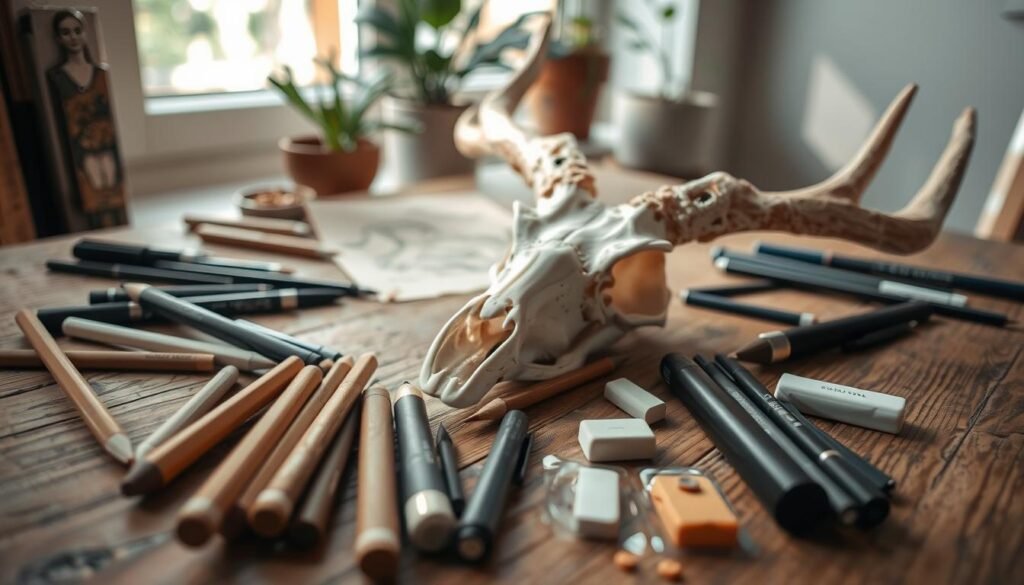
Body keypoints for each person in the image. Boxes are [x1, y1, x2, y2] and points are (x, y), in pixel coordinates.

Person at [46, 9, 126, 228]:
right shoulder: (59, 77)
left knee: (112, 188)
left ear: (85, 33)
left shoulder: (100, 73)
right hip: (81, 146)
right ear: (58, 38)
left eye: (77, 30)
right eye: (65, 32)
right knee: (93, 192)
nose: (72, 37)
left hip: (106, 143)